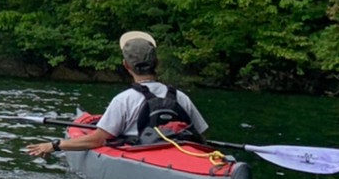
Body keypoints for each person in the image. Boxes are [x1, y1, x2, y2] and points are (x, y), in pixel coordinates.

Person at [23, 31, 208, 158]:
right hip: (175, 155)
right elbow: (202, 137)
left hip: (141, 156)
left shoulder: (124, 100)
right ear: (157, 62)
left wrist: (55, 145)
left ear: (126, 65)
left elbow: (97, 139)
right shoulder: (181, 97)